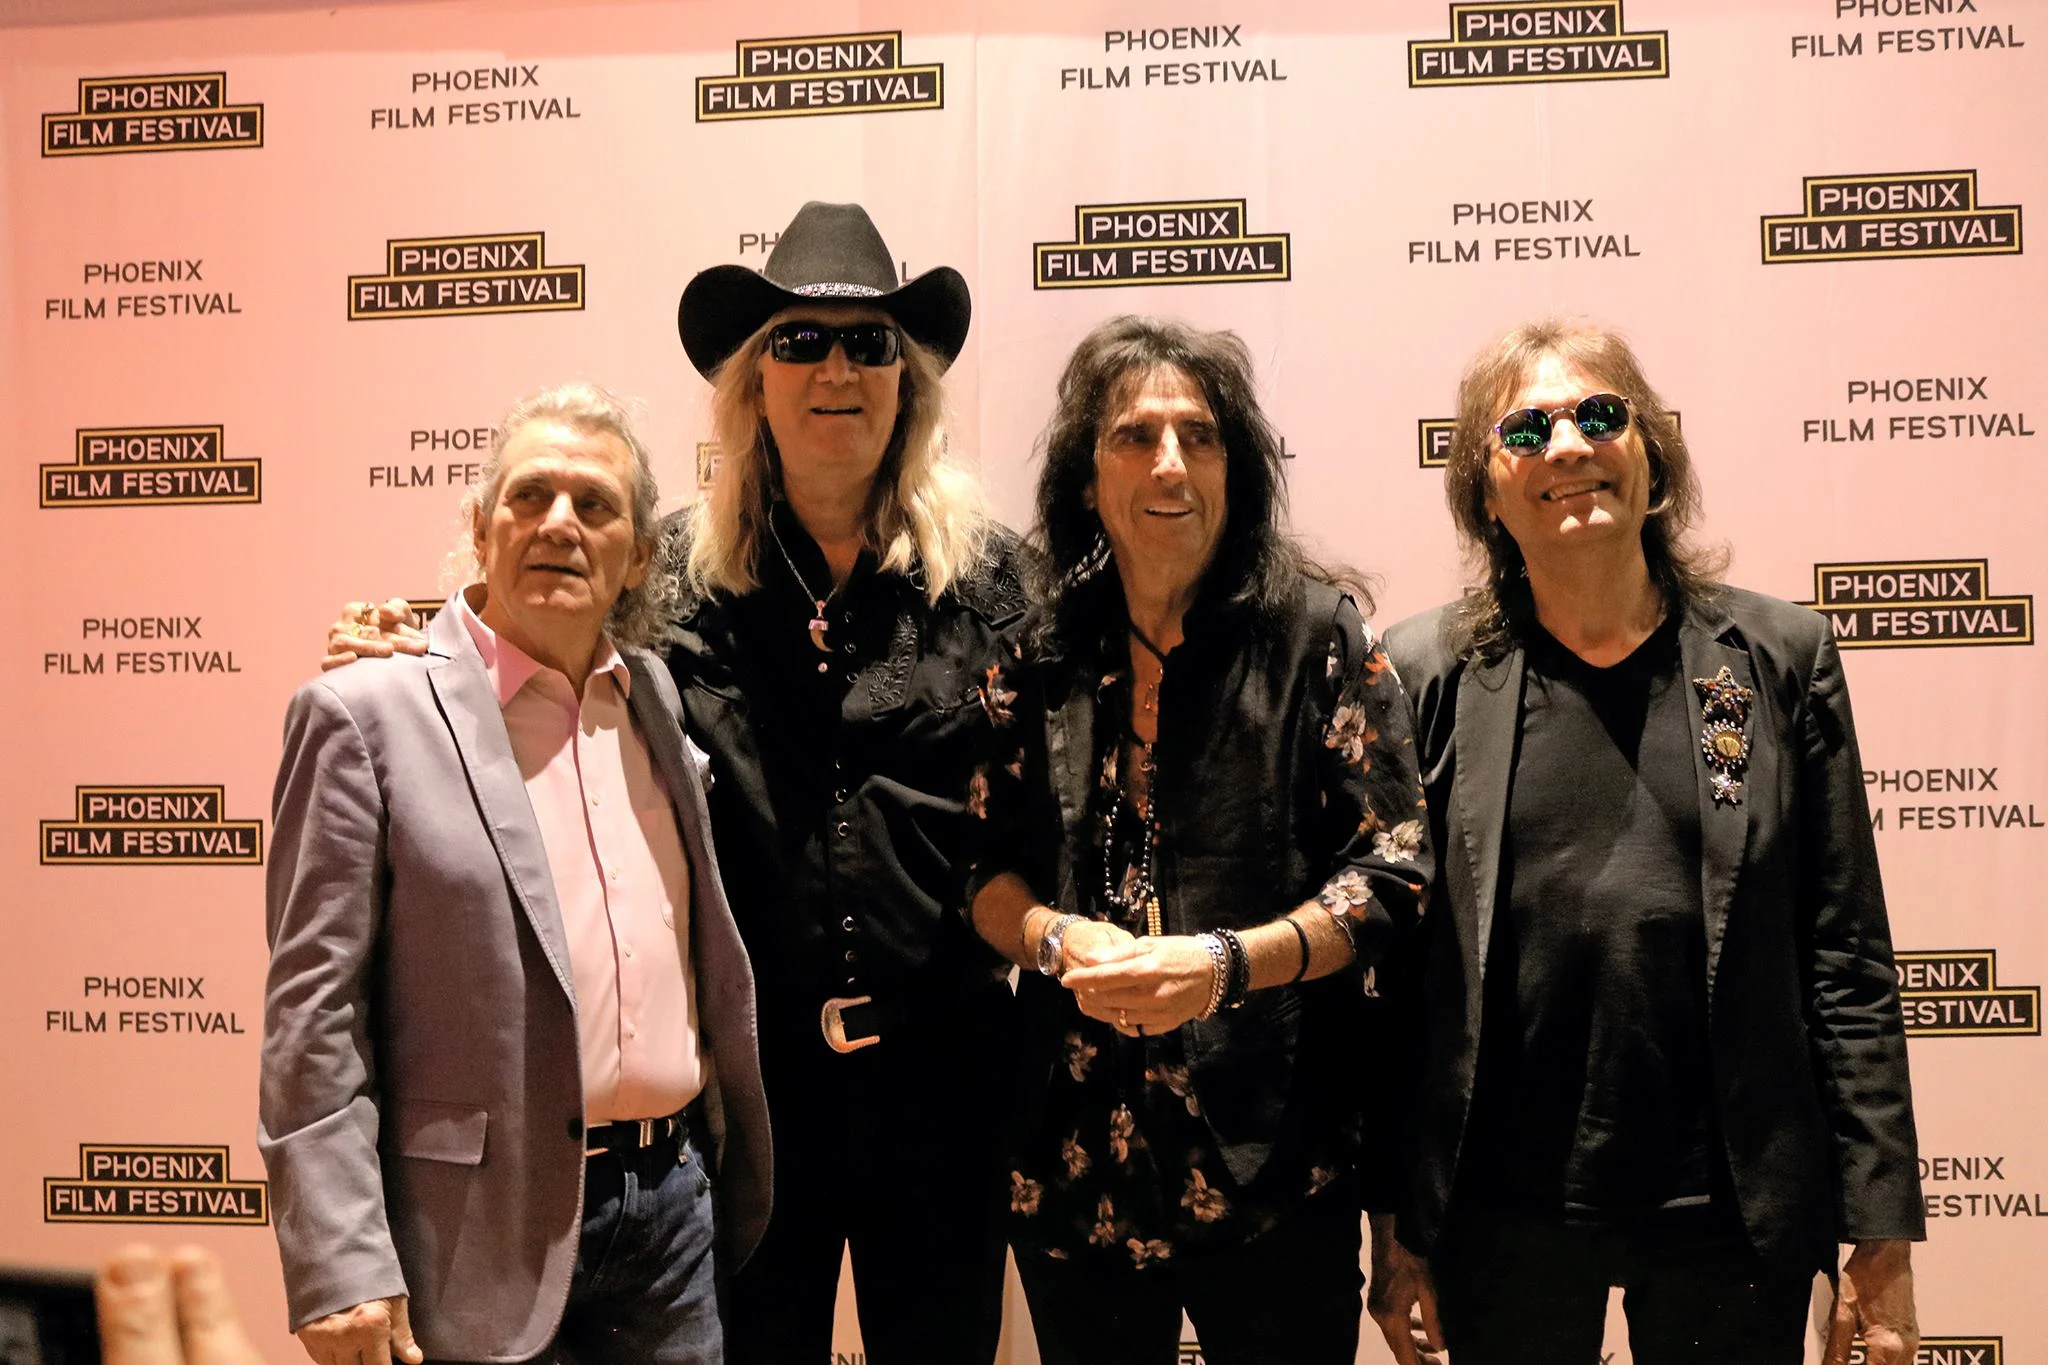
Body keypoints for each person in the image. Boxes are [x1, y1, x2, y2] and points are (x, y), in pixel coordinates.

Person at [323, 203, 1023, 1365]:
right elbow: (531, 631)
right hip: (752, 1107)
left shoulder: (995, 585)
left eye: (868, 344)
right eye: (798, 342)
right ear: (754, 386)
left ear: (905, 384)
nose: (834, 371)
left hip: (943, 1088)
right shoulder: (675, 581)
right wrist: (401, 642)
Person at [1370, 318, 1923, 1365]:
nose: (1567, 445)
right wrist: (1395, 1223)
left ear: (1651, 460)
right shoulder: (1420, 672)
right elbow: (1395, 987)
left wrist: (1882, 1232)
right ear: (1486, 495)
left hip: (1730, 1206)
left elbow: (1846, 960)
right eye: (1524, 429)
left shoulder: (1780, 656)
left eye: (1599, 414)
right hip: (1502, 1209)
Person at [264, 383, 771, 1365]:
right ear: (480, 527)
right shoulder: (364, 716)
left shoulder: (655, 698)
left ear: (640, 555)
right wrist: (338, 1260)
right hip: (474, 1237)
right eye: (529, 495)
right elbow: (313, 1017)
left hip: (673, 1221)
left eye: (594, 505)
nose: (558, 524)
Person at [968, 316, 1432, 1365]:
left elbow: (1393, 870)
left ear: (1238, 471)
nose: (1169, 463)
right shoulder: (1036, 652)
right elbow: (981, 870)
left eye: (1200, 436)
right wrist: (1050, 938)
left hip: (1276, 1164)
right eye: (1134, 435)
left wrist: (1225, 965)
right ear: (1087, 476)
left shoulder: (1317, 638)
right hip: (1071, 1167)